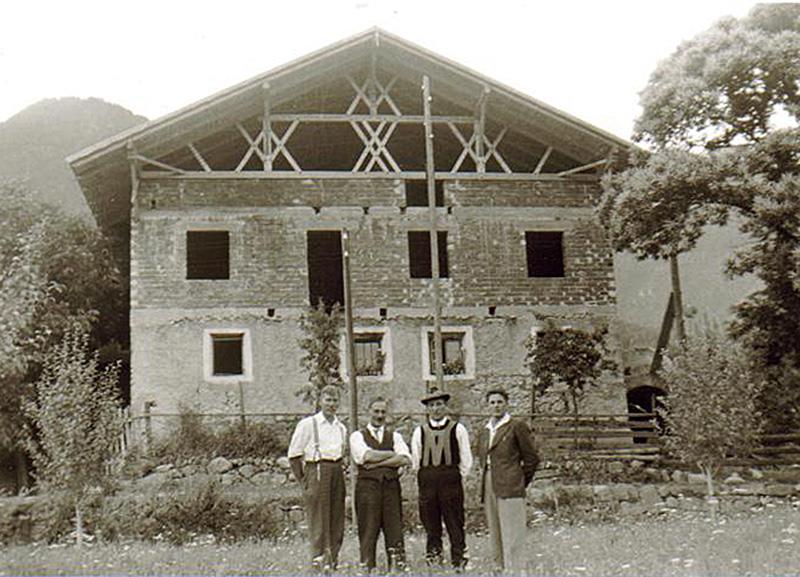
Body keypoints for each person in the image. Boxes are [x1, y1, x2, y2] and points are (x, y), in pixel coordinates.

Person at [477, 388, 539, 574]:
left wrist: (519, 479)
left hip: (511, 483)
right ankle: (499, 569)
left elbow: (531, 459)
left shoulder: (516, 426)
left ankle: (516, 571)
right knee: (495, 530)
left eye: (499, 402)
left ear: (506, 403)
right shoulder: (485, 430)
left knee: (513, 532)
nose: (496, 406)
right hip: (489, 481)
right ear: (487, 405)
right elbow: (482, 457)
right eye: (492, 402)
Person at [411, 388, 473, 570]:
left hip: (451, 483)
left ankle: (459, 563)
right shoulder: (419, 431)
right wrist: (426, 479)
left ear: (445, 406)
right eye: (432, 405)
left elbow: (466, 458)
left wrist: (454, 477)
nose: (436, 409)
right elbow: (416, 460)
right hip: (428, 484)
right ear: (427, 409)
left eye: (439, 404)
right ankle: (434, 564)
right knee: (431, 526)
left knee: (455, 524)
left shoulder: (458, 429)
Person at [287, 385, 347, 572]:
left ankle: (332, 562)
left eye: (335, 400)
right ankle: (318, 564)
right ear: (320, 401)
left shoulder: (341, 427)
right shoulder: (308, 424)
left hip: (336, 470)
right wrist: (304, 481)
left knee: (337, 519)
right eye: (328, 400)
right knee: (319, 521)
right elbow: (294, 455)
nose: (331, 404)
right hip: (317, 470)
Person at [349, 396, 412, 572]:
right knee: (368, 531)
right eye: (376, 411)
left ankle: (397, 569)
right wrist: (391, 455)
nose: (379, 415)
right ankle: (368, 569)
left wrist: (377, 463)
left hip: (391, 489)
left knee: (395, 531)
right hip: (367, 490)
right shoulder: (357, 436)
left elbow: (405, 459)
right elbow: (364, 456)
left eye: (383, 412)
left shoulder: (395, 436)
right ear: (368, 412)